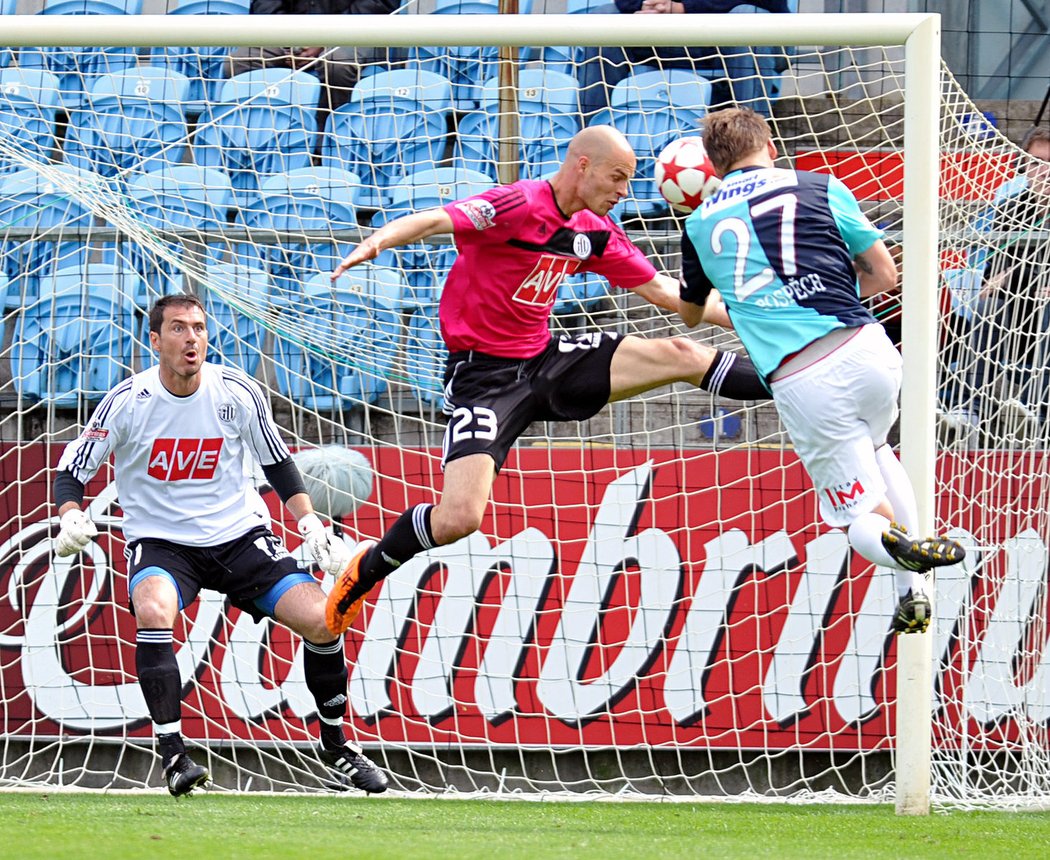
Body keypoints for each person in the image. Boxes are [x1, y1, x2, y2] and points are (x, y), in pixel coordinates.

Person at [322, 124, 769, 636]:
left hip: (547, 358)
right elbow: (434, 220)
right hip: (485, 379)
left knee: (682, 352)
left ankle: (793, 378)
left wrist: (755, 318)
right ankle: (367, 567)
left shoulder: (595, 229)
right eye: (617, 177)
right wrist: (379, 239)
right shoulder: (516, 205)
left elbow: (668, 293)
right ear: (582, 165)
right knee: (458, 519)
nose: (625, 191)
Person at [51, 294, 388, 797]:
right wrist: (70, 514)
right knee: (153, 608)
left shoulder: (237, 392)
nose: (192, 339)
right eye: (180, 329)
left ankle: (337, 746)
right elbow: (73, 470)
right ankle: (173, 756)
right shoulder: (127, 401)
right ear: (155, 340)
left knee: (324, 619)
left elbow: (277, 463)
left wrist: (311, 525)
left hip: (239, 539)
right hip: (163, 543)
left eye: (200, 328)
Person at [677, 107, 966, 635]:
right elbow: (884, 272)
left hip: (804, 378)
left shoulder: (699, 222)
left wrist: (754, 305)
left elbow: (691, 312)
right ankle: (914, 591)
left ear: (712, 167)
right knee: (879, 450)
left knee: (859, 516)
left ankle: (900, 548)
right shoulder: (821, 186)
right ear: (768, 144)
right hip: (869, 348)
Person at [938, 126, 1050, 448]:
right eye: (1035, 161)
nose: (1042, 171)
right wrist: (997, 281)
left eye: (1049, 162)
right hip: (1015, 305)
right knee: (986, 308)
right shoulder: (1011, 208)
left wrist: (1014, 279)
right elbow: (994, 275)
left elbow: (1014, 273)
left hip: (1043, 308)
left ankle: (1033, 413)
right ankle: (968, 412)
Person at [576, 0, 794, 119]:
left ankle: (753, 142)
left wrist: (684, 8)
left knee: (747, 17)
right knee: (605, 16)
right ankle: (591, 136)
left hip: (740, 36)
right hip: (672, 36)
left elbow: (771, 3)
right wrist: (643, 5)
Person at [228, 0, 401, 114]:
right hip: (288, 32)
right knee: (239, 61)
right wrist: (291, 39)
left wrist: (324, 37)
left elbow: (379, 5)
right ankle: (259, 136)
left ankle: (329, 139)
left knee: (337, 63)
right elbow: (264, 5)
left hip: (355, 32)